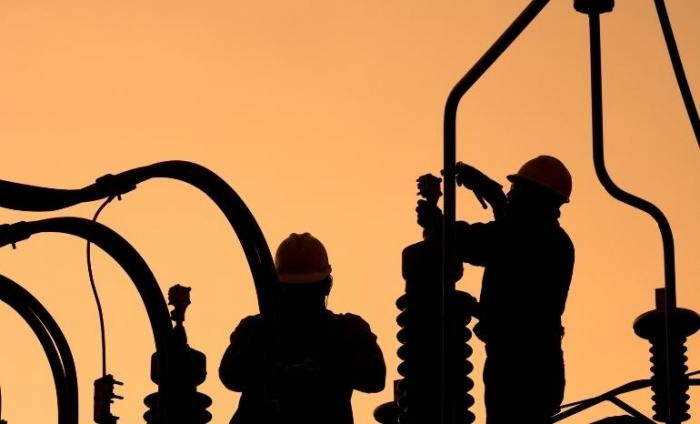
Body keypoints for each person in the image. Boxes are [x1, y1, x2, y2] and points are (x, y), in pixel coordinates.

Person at [419, 155, 574, 423]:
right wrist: (488, 189)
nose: (511, 196)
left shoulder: (525, 237)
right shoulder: (555, 239)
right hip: (540, 367)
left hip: (517, 370)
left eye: (517, 191)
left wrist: (434, 219)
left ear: (534, 199)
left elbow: (471, 242)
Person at [219, 232, 386, 424]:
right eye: (296, 293)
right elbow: (230, 375)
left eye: (306, 293)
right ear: (327, 285)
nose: (301, 301)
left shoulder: (347, 330)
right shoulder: (256, 329)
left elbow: (375, 377)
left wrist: (317, 367)